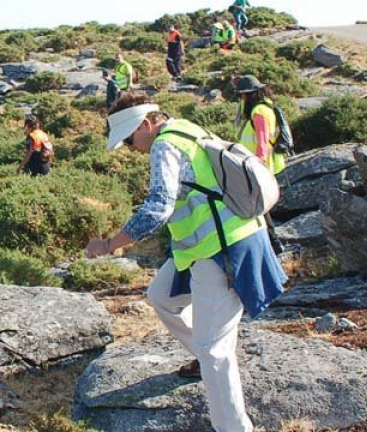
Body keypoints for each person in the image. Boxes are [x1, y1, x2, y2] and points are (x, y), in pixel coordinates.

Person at [85, 92, 286, 432]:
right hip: (205, 248)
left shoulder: (164, 144)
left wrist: (109, 244)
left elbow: (158, 207)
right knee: (162, 297)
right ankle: (202, 359)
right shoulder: (186, 129)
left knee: (215, 351)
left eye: (130, 139)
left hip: (222, 250)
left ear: (146, 124)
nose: (131, 148)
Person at [234, 74, 287, 253]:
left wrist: (258, 165)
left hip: (259, 166)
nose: (240, 99)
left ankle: (274, 243)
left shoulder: (259, 112)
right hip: (258, 165)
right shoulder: (265, 107)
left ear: (248, 95)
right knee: (259, 205)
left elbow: (262, 141)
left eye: (241, 95)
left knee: (259, 206)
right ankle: (272, 243)